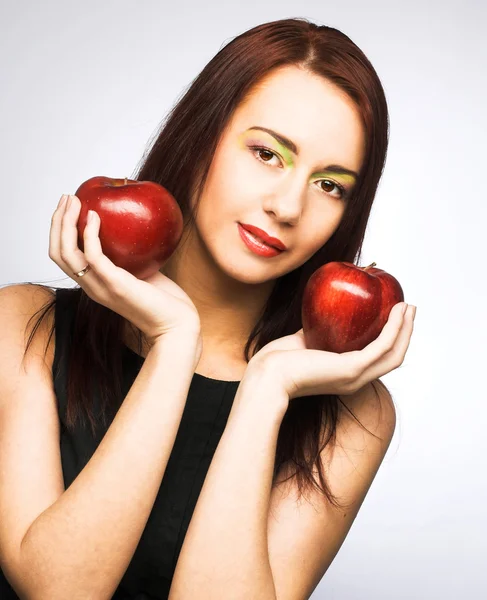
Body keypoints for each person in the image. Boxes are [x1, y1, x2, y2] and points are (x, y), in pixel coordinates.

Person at [0, 17, 416, 600]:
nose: (289, 205)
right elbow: (59, 590)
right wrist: (174, 342)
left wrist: (267, 388)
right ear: (202, 137)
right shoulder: (24, 328)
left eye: (330, 185)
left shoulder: (352, 414)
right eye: (268, 153)